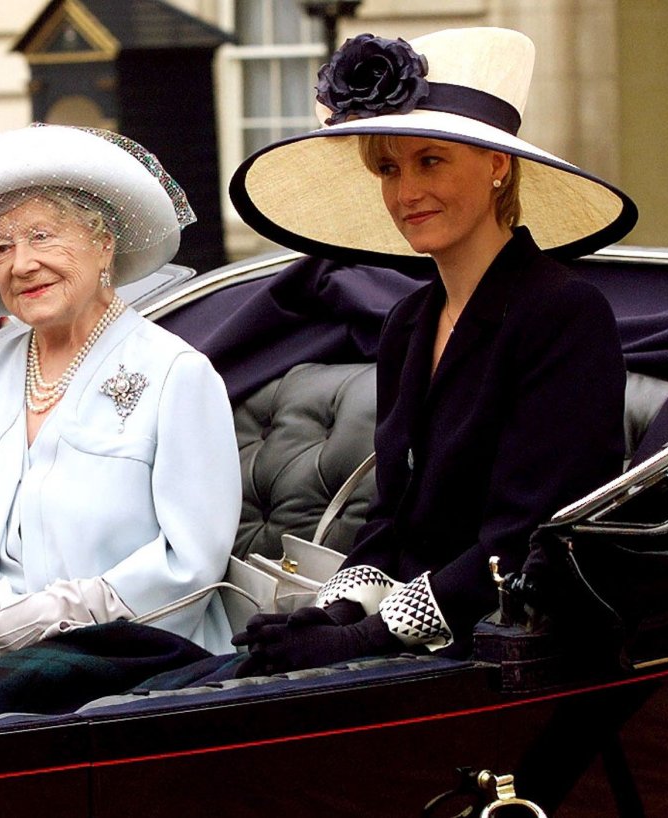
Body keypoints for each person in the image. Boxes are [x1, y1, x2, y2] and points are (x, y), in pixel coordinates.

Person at [223, 27, 636, 675]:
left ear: (498, 165)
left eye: (430, 161)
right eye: (388, 168)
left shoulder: (562, 313)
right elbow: (395, 516)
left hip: (504, 652)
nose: (405, 192)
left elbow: (528, 535)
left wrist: (367, 637)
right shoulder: (409, 322)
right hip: (406, 645)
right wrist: (334, 610)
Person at [0, 125, 241, 708]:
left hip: (130, 664)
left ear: (104, 242)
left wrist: (25, 623)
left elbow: (189, 566)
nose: (22, 264)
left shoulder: (175, 374)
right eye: (1, 248)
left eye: (41, 236)